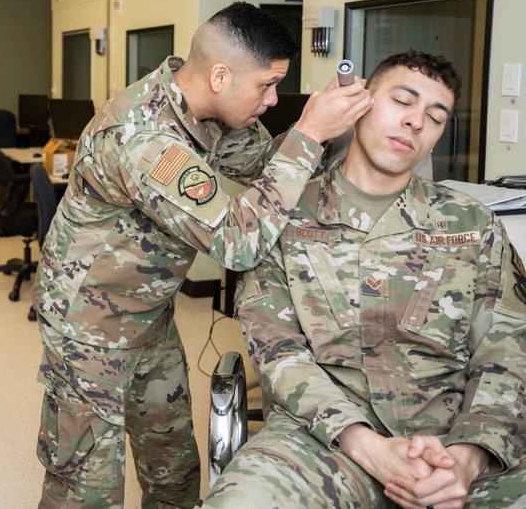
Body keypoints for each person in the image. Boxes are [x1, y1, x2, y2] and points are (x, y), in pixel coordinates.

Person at [32, 1, 375, 508]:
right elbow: (239, 242)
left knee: (173, 470)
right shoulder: (142, 137)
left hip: (149, 316)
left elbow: (263, 169)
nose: (272, 99)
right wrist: (308, 134)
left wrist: (321, 128)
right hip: (88, 329)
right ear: (220, 75)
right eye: (265, 85)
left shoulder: (219, 115)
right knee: (87, 488)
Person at [203, 49, 526, 509]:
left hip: (451, 438)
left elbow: (507, 349)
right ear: (360, 104)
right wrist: (367, 447)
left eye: (435, 117)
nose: (417, 122)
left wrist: (466, 459)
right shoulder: (284, 215)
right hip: (323, 442)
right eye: (403, 101)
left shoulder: (470, 225)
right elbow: (277, 350)